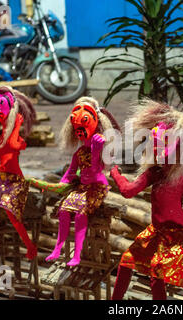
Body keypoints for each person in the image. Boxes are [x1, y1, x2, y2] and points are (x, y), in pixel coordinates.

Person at [110, 100, 183, 300]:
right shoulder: (154, 173)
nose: (160, 153)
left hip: (178, 240)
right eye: (157, 147)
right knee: (126, 261)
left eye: (165, 148)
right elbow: (128, 191)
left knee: (156, 271)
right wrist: (116, 174)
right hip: (156, 235)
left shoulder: (180, 183)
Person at [39, 96, 120, 266]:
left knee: (81, 213)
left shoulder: (102, 147)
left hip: (97, 188)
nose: (80, 132)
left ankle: (77, 254)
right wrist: (56, 186)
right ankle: (58, 248)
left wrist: (97, 151)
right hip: (81, 188)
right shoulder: (79, 153)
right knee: (63, 211)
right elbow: (69, 173)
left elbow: (97, 171)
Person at [0, 85, 37, 260]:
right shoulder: (1, 136)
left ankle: (30, 247)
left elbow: (13, 145)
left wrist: (16, 125)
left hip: (15, 180)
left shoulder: (12, 136)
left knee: (12, 215)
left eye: (0, 104)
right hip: (0, 178)